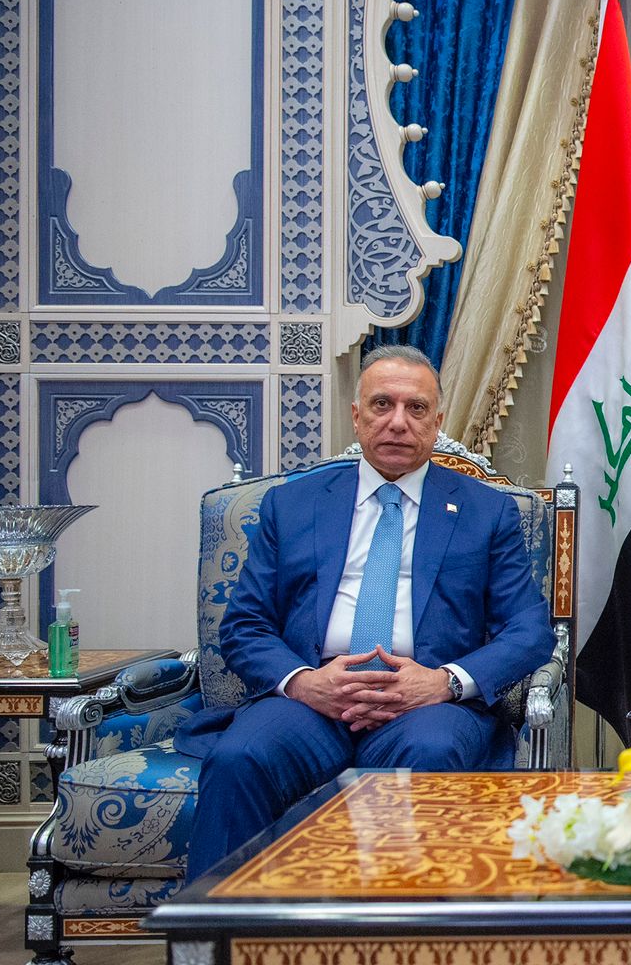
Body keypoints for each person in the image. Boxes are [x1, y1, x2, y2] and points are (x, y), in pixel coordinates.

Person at [176, 345, 554, 881]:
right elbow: (244, 625)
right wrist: (303, 682)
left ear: (437, 421)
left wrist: (445, 682)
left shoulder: (487, 511)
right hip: (312, 699)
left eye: (416, 408)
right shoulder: (293, 504)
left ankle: (394, 925)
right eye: (382, 404)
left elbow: (529, 630)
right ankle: (218, 929)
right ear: (357, 417)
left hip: (427, 703)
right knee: (241, 756)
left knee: (432, 751)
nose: (398, 422)